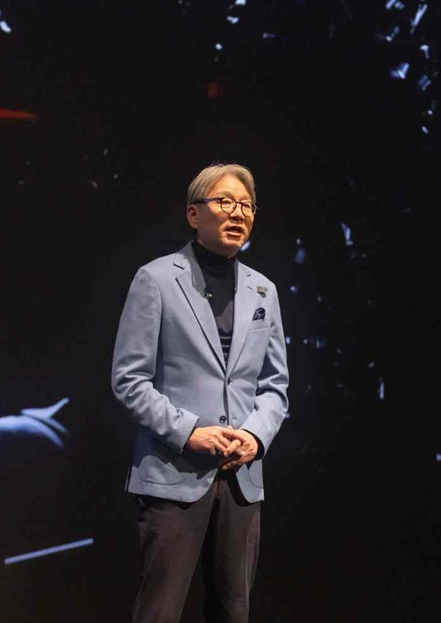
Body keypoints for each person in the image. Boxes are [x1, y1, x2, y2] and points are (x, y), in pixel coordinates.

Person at [111, 162, 289, 623]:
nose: (238, 213)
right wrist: (189, 432)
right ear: (194, 213)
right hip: (173, 475)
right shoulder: (155, 280)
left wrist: (255, 436)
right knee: (160, 612)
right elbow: (129, 380)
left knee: (233, 612)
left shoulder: (264, 290)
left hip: (241, 480)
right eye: (225, 201)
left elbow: (275, 385)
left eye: (247, 205)